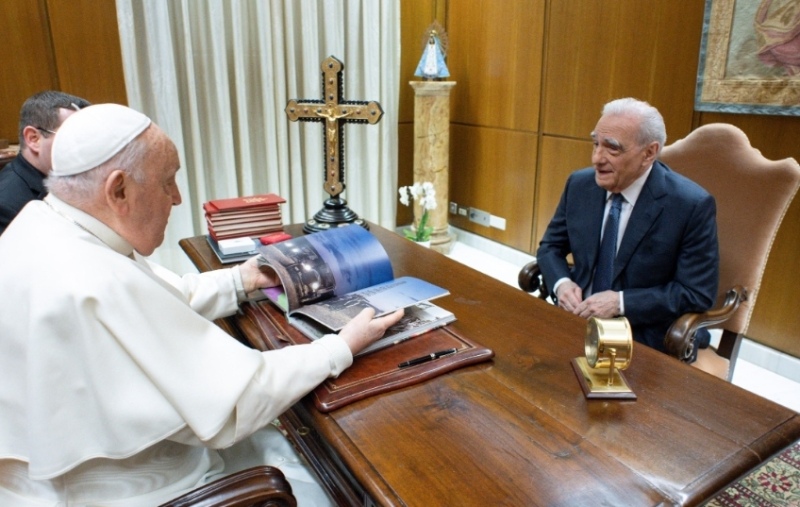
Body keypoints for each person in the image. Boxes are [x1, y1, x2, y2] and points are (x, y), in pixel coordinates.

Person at [0, 103, 404, 506]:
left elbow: (155, 301)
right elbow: (236, 402)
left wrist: (240, 279)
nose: (176, 199)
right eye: (168, 182)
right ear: (118, 190)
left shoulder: (47, 222)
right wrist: (341, 345)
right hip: (148, 487)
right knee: (342, 480)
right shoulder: (89, 276)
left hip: (85, 473)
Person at [536, 97, 719, 358]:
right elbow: (550, 247)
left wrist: (620, 302)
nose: (597, 158)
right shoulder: (579, 185)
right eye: (595, 143)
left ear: (649, 153)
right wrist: (562, 284)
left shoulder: (690, 205)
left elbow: (695, 293)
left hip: (642, 332)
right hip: (574, 319)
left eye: (612, 149)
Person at [0, 90, 91, 235]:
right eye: (74, 137)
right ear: (33, 138)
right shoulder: (5, 205)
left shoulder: (79, 178)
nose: (86, 148)